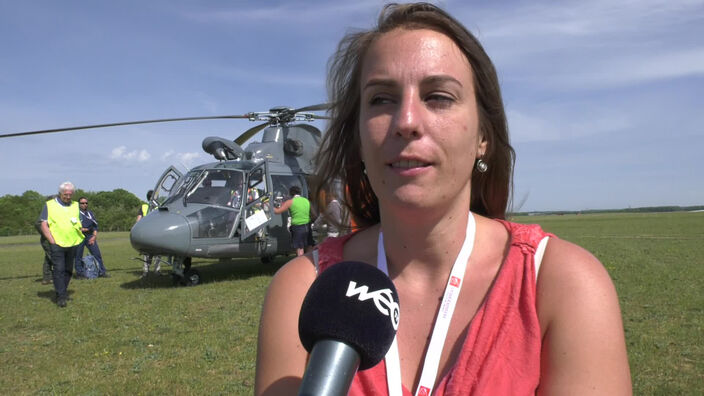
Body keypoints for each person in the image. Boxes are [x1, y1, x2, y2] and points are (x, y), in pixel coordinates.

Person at [255, 3, 631, 396]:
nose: (406, 121)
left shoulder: (563, 285)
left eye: (438, 96)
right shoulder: (303, 288)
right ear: (358, 140)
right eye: (381, 99)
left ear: (483, 137)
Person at [39, 181, 84, 307]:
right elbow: (43, 224)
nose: (68, 197)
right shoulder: (50, 205)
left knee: (68, 270)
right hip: (57, 243)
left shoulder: (76, 205)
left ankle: (61, 292)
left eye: (70, 194)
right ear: (60, 193)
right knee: (58, 270)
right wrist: (52, 240)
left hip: (73, 242)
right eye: (66, 194)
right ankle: (61, 296)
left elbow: (78, 222)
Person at [74, 197, 109, 278]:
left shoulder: (90, 213)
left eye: (86, 203)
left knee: (97, 254)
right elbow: (72, 226)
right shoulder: (75, 213)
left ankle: (102, 272)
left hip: (90, 236)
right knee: (78, 255)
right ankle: (79, 273)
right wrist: (81, 229)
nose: (84, 205)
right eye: (82, 203)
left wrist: (94, 236)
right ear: (79, 204)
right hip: (79, 236)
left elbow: (95, 226)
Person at [273, 186, 311, 256]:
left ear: (290, 193)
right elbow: (313, 213)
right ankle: (309, 263)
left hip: (298, 227)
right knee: (308, 245)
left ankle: (300, 264)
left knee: (299, 247)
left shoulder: (290, 202)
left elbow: (278, 211)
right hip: (308, 226)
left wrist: (269, 206)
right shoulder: (306, 201)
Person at [136, 190, 160, 276]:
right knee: (158, 253)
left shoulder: (143, 206)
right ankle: (157, 271)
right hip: (156, 233)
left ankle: (145, 271)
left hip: (146, 234)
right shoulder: (159, 207)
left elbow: (138, 220)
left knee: (147, 253)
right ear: (153, 197)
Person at [34, 214, 53, 285]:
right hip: (47, 240)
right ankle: (57, 276)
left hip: (55, 240)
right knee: (53, 258)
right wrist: (47, 234)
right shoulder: (47, 212)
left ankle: (47, 278)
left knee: (48, 259)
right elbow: (38, 224)